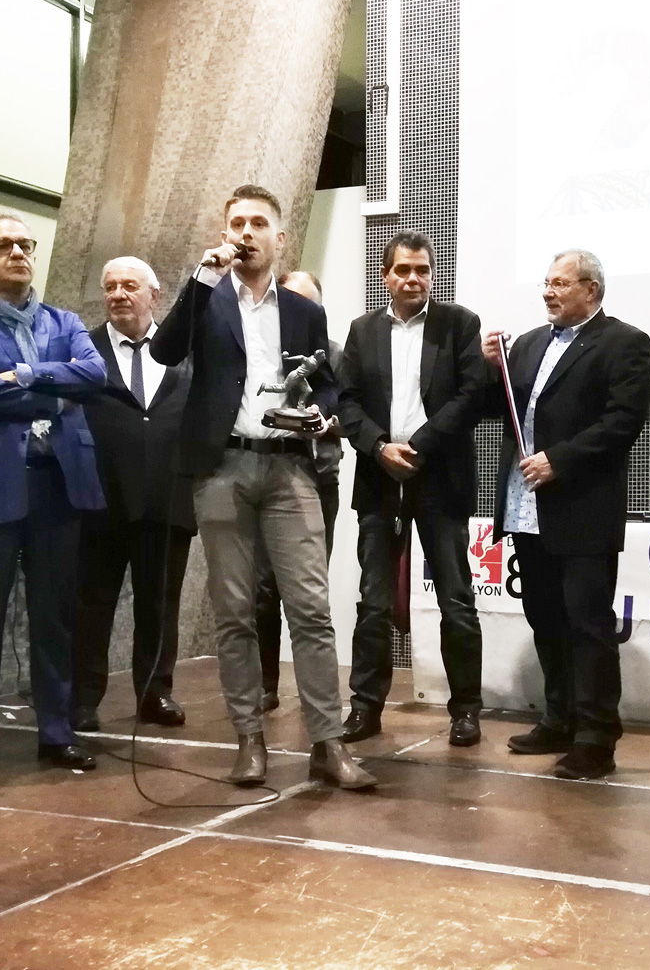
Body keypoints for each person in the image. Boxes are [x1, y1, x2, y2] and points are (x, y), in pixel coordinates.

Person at [150, 184, 375, 790]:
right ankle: (249, 739)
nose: (245, 233)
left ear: (279, 237)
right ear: (225, 233)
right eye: (237, 223)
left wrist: (324, 414)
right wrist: (201, 278)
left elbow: (325, 384)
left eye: (257, 224)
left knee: (311, 608)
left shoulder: (302, 310)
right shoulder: (208, 297)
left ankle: (327, 744)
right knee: (234, 612)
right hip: (221, 467)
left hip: (290, 469)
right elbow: (165, 350)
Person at [0, 212, 106, 787]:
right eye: (2, 245)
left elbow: (94, 375)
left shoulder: (66, 322)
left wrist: (22, 375)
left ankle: (57, 733)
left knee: (55, 619)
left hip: (59, 484)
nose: (16, 253)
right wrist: (55, 392)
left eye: (25, 244)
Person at [482, 250, 650, 780]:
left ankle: (596, 738)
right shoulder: (529, 343)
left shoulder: (625, 342)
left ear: (591, 290)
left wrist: (560, 459)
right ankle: (558, 719)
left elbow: (623, 422)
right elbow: (503, 409)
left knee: (587, 626)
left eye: (560, 284)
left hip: (582, 508)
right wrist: (492, 369)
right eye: (546, 283)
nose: (548, 292)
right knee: (546, 619)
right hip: (526, 504)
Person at [338, 230, 487, 746]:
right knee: (373, 603)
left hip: (440, 478)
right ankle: (364, 708)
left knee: (456, 601)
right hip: (379, 479)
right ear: (386, 276)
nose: (413, 279)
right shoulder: (362, 331)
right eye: (403, 270)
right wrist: (380, 447)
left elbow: (471, 396)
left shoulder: (460, 324)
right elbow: (346, 401)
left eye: (422, 270)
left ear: (432, 274)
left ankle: (465, 711)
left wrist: (417, 447)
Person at [72, 257, 194, 733]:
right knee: (92, 604)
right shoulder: (84, 350)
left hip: (168, 500)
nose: (118, 295)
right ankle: (83, 699)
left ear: (154, 296)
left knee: (160, 605)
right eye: (110, 287)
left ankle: (155, 693)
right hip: (101, 500)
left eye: (129, 286)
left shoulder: (183, 353)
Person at [250, 270, 344, 714]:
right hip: (266, 475)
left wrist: (327, 420)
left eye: (310, 302)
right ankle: (265, 684)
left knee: (309, 596)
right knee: (262, 589)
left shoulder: (335, 353)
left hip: (319, 479)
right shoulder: (262, 351)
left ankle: (317, 698)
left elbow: (351, 407)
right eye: (292, 298)